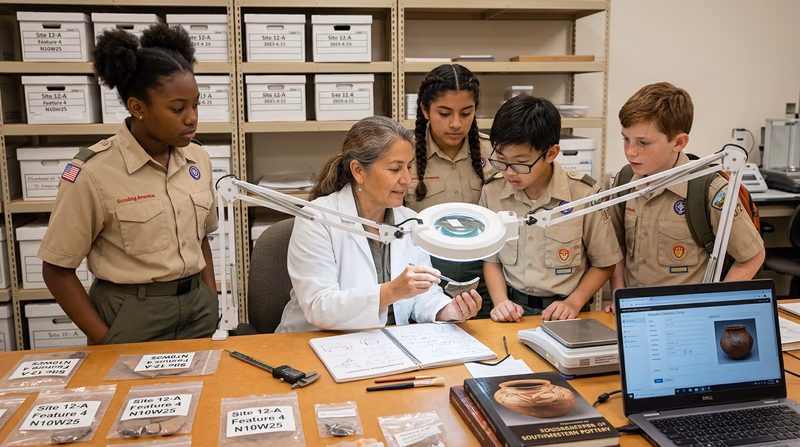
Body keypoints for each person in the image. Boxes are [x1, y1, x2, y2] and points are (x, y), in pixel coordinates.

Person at [38, 23, 219, 345]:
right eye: (178, 108)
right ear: (138, 108)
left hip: (197, 308)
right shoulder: (92, 173)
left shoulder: (198, 159)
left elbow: (200, 238)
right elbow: (57, 268)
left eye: (195, 104)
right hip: (130, 314)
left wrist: (211, 297)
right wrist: (105, 340)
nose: (191, 117)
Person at [275, 116, 483, 333]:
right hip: (313, 342)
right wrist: (392, 291)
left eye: (409, 167)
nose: (407, 179)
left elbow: (422, 295)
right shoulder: (317, 218)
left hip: (383, 344)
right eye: (395, 169)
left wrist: (449, 310)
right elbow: (319, 307)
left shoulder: (410, 220)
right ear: (358, 171)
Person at [605, 82, 765, 312]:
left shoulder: (709, 189)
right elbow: (617, 245)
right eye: (625, 139)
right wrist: (617, 294)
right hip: (634, 315)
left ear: (678, 142)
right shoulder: (625, 179)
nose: (631, 151)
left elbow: (752, 256)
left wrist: (716, 306)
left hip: (686, 317)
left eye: (643, 142)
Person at [479, 95, 622, 322]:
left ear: (551, 153)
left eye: (520, 162)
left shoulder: (584, 194)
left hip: (568, 311)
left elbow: (604, 262)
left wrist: (573, 302)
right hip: (512, 310)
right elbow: (491, 259)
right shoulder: (492, 191)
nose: (509, 171)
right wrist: (500, 302)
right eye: (501, 159)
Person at [406, 64, 495, 318]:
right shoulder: (404, 155)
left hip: (486, 279)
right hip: (424, 278)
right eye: (444, 113)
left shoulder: (495, 155)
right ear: (425, 109)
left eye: (466, 113)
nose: (456, 124)